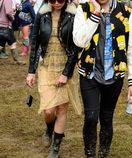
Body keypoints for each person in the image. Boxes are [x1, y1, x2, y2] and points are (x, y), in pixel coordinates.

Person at [73, 0, 132, 157]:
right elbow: (79, 41)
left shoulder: (126, 12)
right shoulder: (83, 10)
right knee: (91, 118)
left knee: (106, 118)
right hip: (89, 74)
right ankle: (90, 154)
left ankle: (103, 154)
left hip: (115, 76)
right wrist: (95, 14)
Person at [26, 0, 80, 157]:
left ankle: (55, 148)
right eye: (53, 0)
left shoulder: (74, 15)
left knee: (62, 109)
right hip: (46, 67)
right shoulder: (42, 14)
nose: (57, 3)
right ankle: (49, 128)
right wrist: (31, 71)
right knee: (49, 110)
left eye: (61, 0)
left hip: (66, 66)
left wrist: (66, 73)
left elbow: (76, 46)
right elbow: (34, 42)